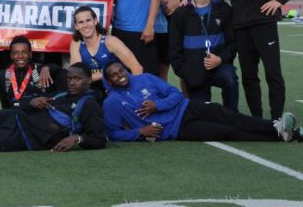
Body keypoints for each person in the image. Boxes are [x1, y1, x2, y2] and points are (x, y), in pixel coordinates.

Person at [102, 61, 302, 143]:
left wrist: (158, 105)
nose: (120, 76)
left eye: (121, 70)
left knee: (229, 116)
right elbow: (112, 133)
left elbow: (176, 93)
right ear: (108, 81)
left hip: (187, 107)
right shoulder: (112, 102)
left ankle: (276, 126)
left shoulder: (144, 78)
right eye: (113, 75)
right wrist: (139, 132)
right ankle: (285, 135)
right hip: (176, 130)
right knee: (226, 132)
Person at [169, 0, 238, 111]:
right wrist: (185, 73)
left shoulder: (224, 10)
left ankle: (233, 116)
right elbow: (174, 50)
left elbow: (232, 43)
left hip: (219, 67)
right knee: (202, 115)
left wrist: (220, 59)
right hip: (194, 73)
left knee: (230, 78)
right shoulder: (181, 14)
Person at [69, 5, 142, 87]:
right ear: (76, 26)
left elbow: (137, 68)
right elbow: (76, 76)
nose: (85, 25)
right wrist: (108, 74)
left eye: (88, 20)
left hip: (118, 85)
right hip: (94, 89)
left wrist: (136, 92)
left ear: (95, 21)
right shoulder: (76, 43)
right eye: (81, 22)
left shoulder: (110, 41)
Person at [0, 35, 64, 109]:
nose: (20, 56)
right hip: (16, 115)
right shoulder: (3, 76)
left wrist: (48, 67)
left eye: (24, 52)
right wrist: (29, 103)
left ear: (30, 54)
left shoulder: (40, 71)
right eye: (16, 53)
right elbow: (9, 105)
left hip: (39, 114)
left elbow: (62, 71)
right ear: (11, 55)